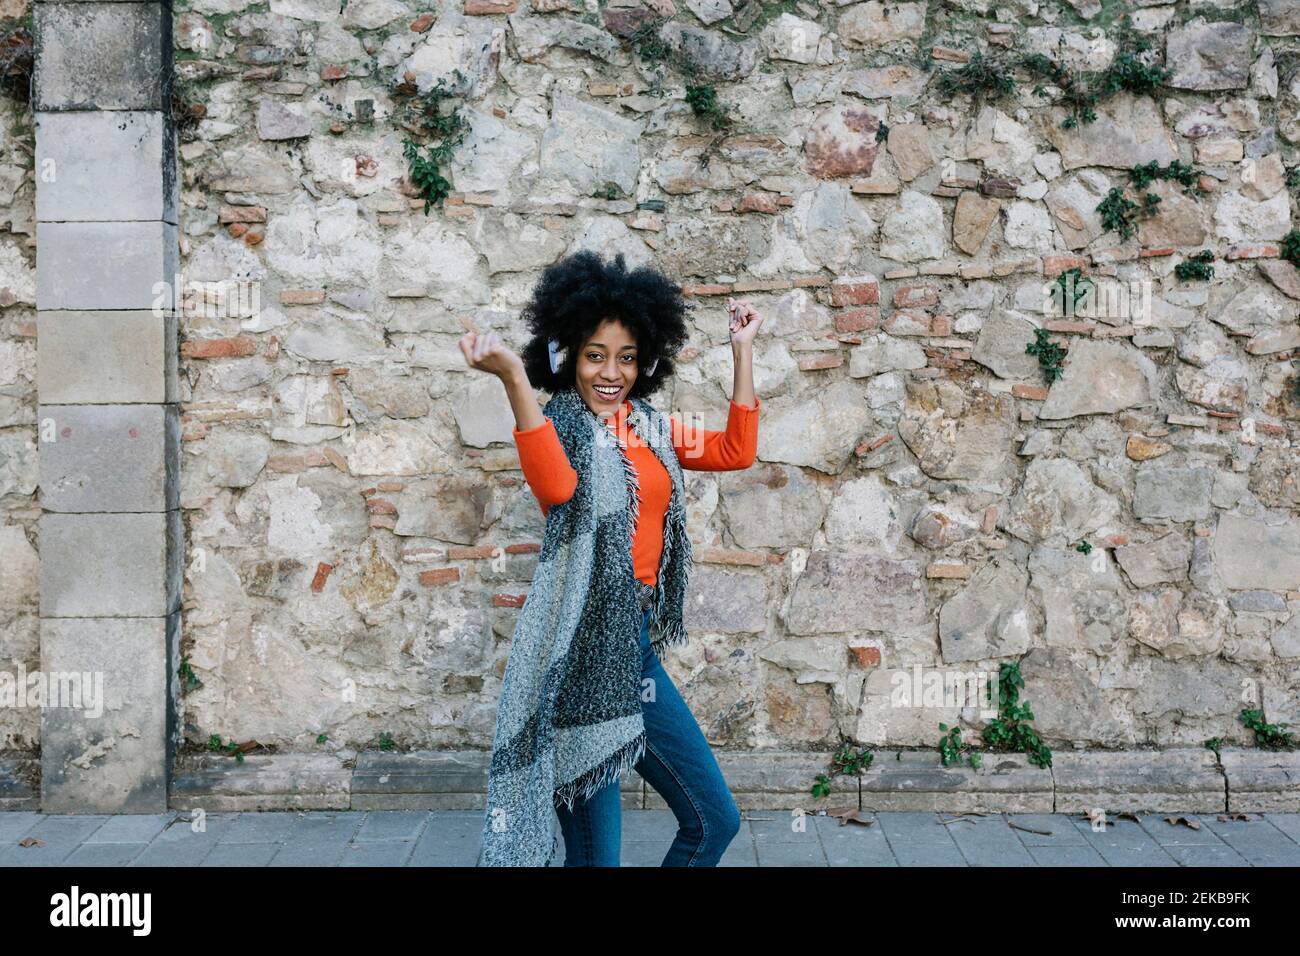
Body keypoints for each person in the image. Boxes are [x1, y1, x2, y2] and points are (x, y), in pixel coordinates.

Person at [460, 250, 764, 866]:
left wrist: (742, 349)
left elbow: (736, 449)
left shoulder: (648, 426)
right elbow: (557, 490)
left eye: (626, 358)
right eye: (594, 354)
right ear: (568, 352)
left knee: (714, 822)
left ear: (645, 360)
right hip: (582, 663)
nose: (610, 372)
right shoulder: (564, 426)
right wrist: (513, 377)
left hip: (637, 654)